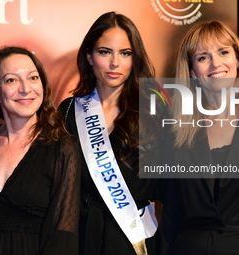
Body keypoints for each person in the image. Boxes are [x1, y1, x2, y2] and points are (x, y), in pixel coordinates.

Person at [162, 20, 239, 255]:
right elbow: (172, 211)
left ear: (238, 60)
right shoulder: (175, 129)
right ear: (191, 71)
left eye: (223, 52)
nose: (215, 63)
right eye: (202, 57)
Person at [0, 46, 79, 255]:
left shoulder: (60, 148)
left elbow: (63, 235)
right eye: (11, 80)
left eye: (33, 78)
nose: (25, 88)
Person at [58, 12, 163, 255]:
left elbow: (170, 191)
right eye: (105, 52)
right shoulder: (69, 111)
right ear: (89, 56)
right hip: (81, 237)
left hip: (133, 239)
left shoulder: (154, 111)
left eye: (125, 53)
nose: (115, 63)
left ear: (135, 59)